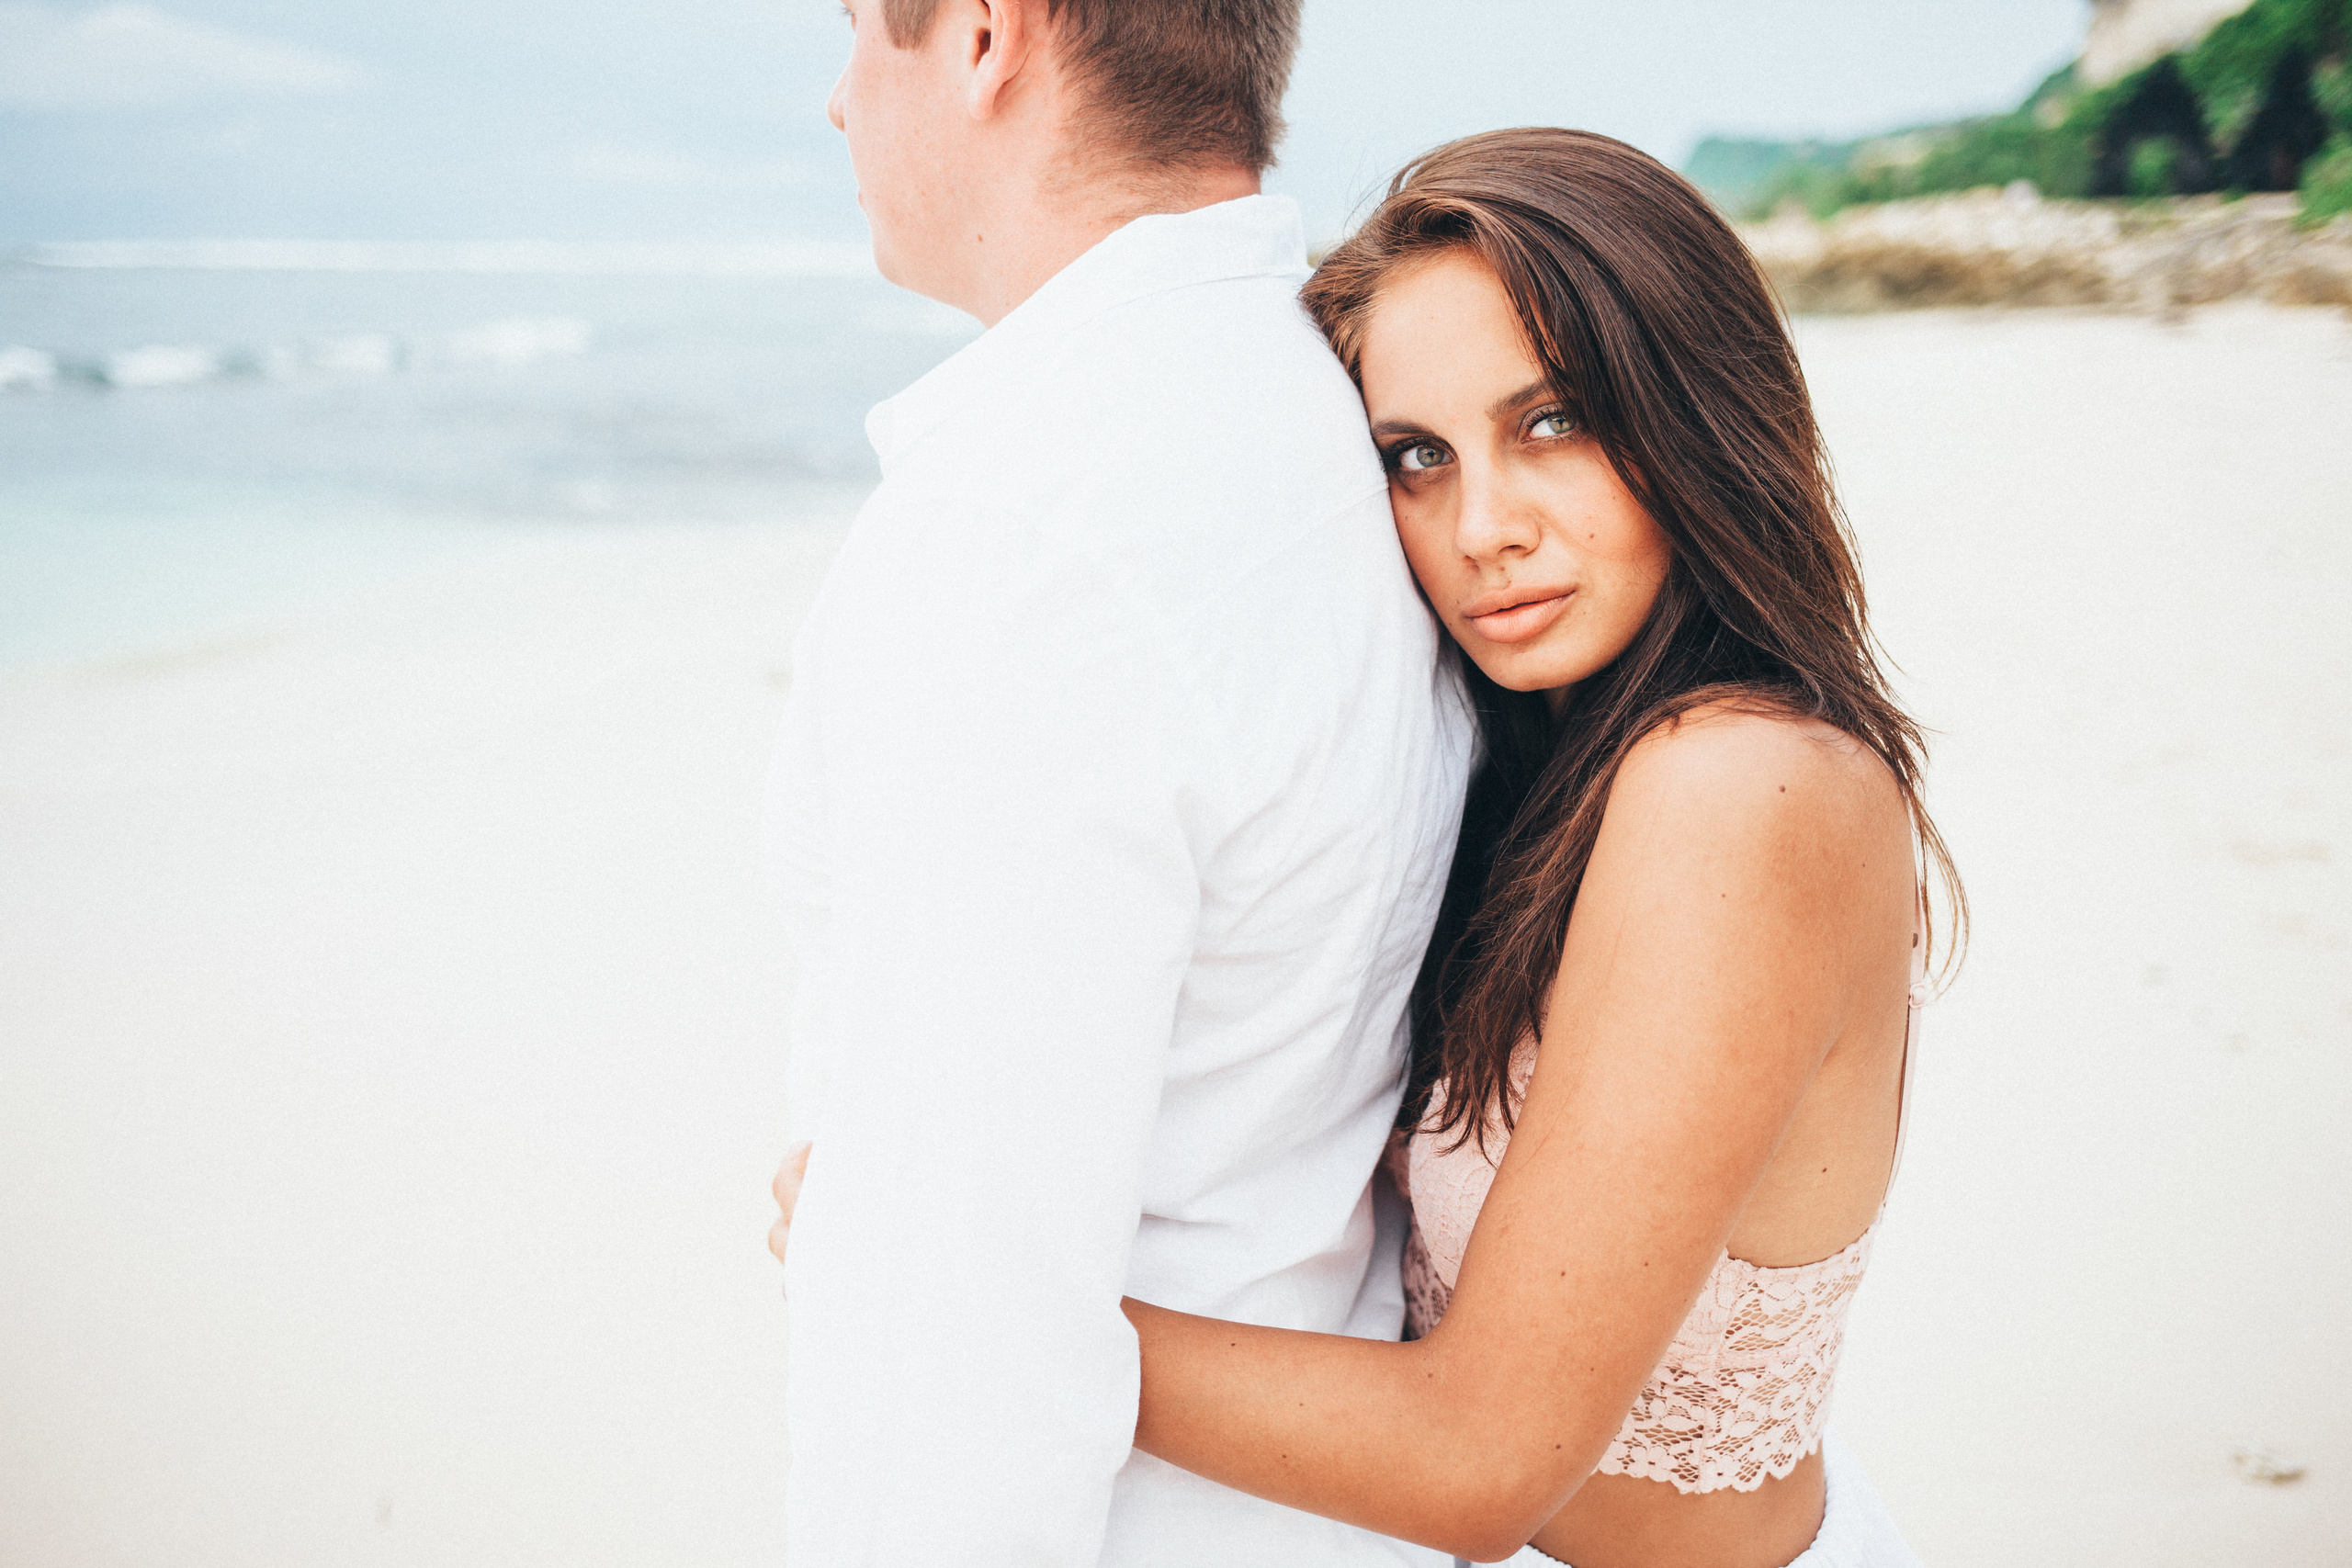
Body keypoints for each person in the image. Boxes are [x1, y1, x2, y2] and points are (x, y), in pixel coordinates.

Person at [776, 127, 1962, 1567]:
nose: (1484, 528)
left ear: (1696, 409)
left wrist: (949, 1288)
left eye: (1552, 424)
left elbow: (1476, 1459)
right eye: (1417, 456)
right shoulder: (1551, 764)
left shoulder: (1745, 789)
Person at [767, 1, 1470, 1563]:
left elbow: (962, 1337)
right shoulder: (1342, 417)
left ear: (984, 37)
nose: (830, 104)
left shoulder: (1030, 533)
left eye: (857, 38)